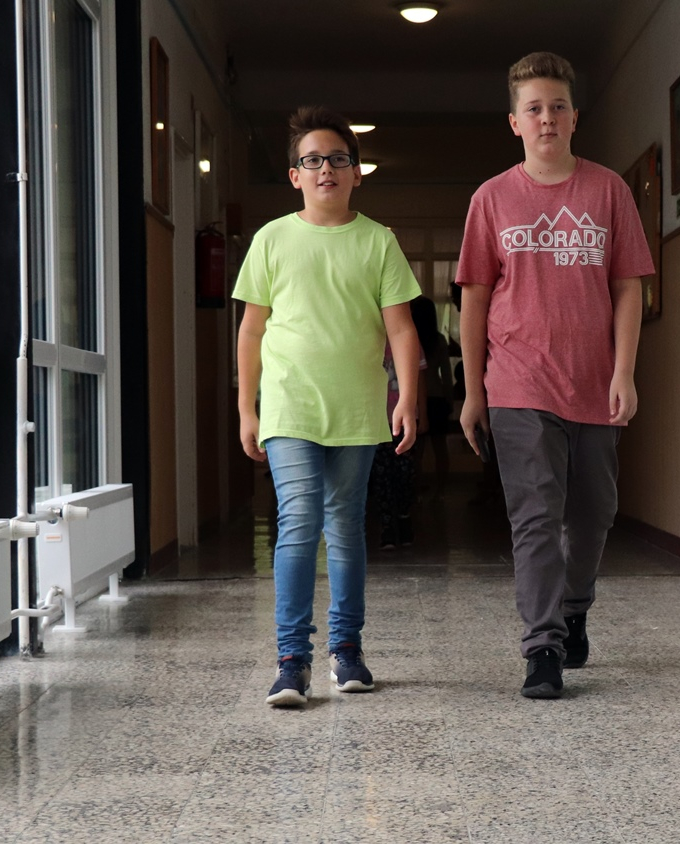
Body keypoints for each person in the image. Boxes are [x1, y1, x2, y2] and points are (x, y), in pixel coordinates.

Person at [455, 52, 654, 699]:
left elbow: (628, 287)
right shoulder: (491, 198)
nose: (547, 118)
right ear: (515, 121)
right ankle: (542, 645)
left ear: (574, 117)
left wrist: (624, 371)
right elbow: (475, 298)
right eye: (534, 108)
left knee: (594, 513)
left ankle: (574, 607)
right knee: (536, 516)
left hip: (594, 381)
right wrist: (473, 392)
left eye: (558, 107)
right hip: (519, 383)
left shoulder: (608, 190)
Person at [234, 105, 422, 707]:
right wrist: (246, 408)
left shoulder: (378, 241)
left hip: (357, 409)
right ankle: (292, 660)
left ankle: (347, 651)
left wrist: (408, 396)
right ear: (295, 175)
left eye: (338, 159)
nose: (326, 170)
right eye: (312, 160)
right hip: (288, 406)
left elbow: (402, 329)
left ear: (356, 173)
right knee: (298, 522)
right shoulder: (271, 239)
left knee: (345, 527)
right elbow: (250, 330)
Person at [370, 340, 426, 549]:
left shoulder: (410, 341)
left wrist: (422, 414)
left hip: (404, 420)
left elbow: (420, 379)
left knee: (405, 472)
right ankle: (387, 527)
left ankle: (404, 517)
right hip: (376, 420)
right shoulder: (370, 338)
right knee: (381, 475)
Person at [411, 296, 453, 498]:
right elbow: (447, 375)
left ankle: (416, 491)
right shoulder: (438, 340)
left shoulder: (410, 340)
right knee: (440, 448)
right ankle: (441, 490)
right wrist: (449, 400)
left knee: (416, 451)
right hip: (437, 398)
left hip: (416, 400)